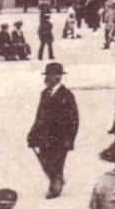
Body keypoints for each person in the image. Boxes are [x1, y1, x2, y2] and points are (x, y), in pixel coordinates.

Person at [28, 62, 80, 199]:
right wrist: (33, 133)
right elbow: (39, 116)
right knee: (45, 159)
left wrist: (70, 138)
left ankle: (55, 186)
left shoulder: (67, 95)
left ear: (57, 78)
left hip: (61, 136)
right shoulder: (45, 94)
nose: (45, 79)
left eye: (48, 76)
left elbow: (74, 119)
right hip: (45, 136)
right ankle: (57, 179)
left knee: (57, 162)